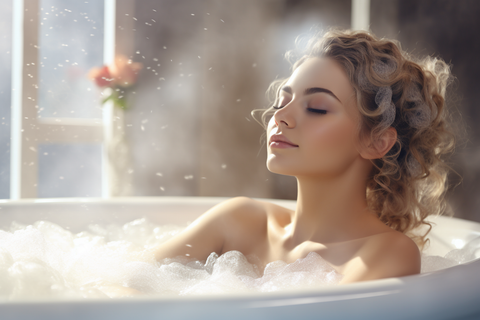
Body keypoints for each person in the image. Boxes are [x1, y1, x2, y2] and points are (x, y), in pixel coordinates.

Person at [152, 29, 455, 284]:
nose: (280, 117)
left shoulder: (386, 253)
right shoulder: (238, 222)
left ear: (376, 142)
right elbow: (124, 283)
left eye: (317, 108)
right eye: (281, 101)